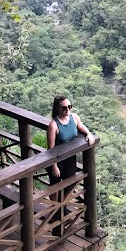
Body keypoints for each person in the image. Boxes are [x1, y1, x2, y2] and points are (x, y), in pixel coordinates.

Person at [47, 96, 97, 234]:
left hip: (70, 158)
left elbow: (81, 127)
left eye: (69, 107)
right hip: (57, 160)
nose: (67, 110)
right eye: (64, 108)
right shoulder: (53, 125)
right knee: (55, 187)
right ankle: (55, 213)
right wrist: (54, 166)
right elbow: (51, 149)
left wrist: (89, 134)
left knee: (69, 184)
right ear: (57, 108)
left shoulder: (74, 117)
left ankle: (61, 209)